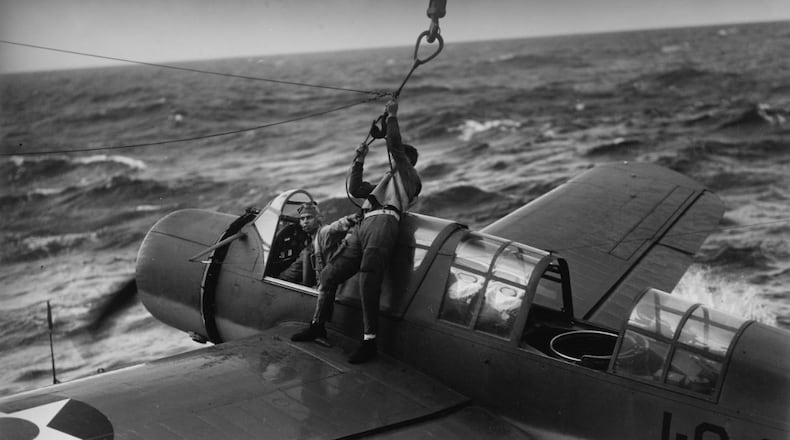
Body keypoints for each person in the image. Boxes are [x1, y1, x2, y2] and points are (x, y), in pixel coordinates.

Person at [291, 97, 422, 364]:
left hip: (384, 223)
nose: (392, 161)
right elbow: (354, 188)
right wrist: (359, 160)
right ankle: (318, 325)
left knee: (368, 280)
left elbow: (395, 147)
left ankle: (369, 342)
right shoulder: (383, 184)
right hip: (363, 226)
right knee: (328, 275)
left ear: (407, 162)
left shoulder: (409, 178)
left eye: (398, 158)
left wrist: (392, 116)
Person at [279, 202, 358, 288]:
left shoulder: (323, 234)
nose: (305, 221)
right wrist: (280, 278)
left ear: (318, 219)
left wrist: (349, 220)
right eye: (302, 219)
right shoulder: (310, 241)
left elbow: (334, 228)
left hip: (329, 286)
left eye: (309, 217)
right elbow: (296, 269)